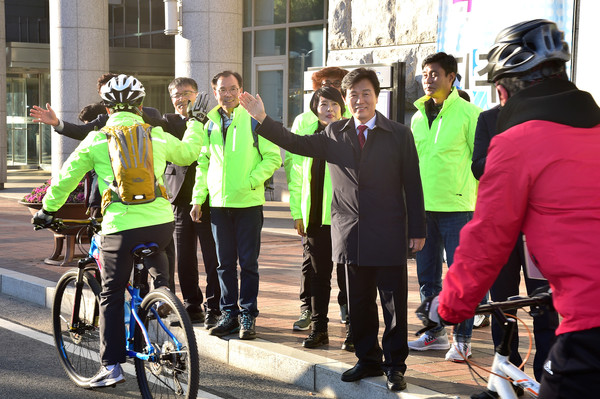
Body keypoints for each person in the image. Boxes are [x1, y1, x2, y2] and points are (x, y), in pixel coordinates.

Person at [416, 19, 600, 399]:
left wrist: (450, 305)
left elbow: (488, 238)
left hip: (590, 322)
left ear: (509, 85)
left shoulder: (517, 141)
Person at [239, 67, 426, 392]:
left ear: (376, 96)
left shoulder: (398, 134)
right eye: (353, 94)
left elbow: (413, 182)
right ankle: (368, 360)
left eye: (365, 93)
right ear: (345, 98)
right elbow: (295, 143)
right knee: (360, 303)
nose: (359, 99)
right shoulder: (335, 133)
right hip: (351, 234)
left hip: (389, 232)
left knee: (393, 304)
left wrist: (418, 229)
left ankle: (395, 366)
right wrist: (262, 119)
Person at [31, 74, 204, 388]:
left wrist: (47, 210)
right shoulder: (157, 134)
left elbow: (66, 177)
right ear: (139, 106)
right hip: (161, 224)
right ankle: (163, 311)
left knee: (111, 293)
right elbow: (190, 153)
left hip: (120, 228)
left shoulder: (98, 139)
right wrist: (193, 122)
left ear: (107, 108)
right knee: (158, 274)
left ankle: (111, 368)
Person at [470, 103, 558, 394]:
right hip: (501, 228)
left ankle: (546, 379)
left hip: (539, 229)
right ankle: (508, 378)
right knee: (501, 306)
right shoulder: (489, 118)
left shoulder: (547, 113)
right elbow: (478, 167)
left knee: (544, 306)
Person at [190, 71, 281, 341]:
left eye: (232, 89)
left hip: (248, 204)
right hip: (218, 205)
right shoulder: (209, 123)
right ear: (214, 91)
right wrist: (198, 198)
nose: (227, 94)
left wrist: (250, 182)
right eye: (222, 89)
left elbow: (273, 157)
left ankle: (248, 315)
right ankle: (228, 314)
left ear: (241, 90)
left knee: (248, 263)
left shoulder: (254, 119)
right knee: (223, 264)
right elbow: (203, 163)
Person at [408, 52, 481, 362]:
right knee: (427, 276)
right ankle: (434, 332)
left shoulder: (470, 114)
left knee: (460, 275)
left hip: (459, 208)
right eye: (425, 74)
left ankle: (463, 339)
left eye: (435, 73)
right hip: (423, 209)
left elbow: (482, 163)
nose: (428, 79)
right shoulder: (416, 116)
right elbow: (411, 164)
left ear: (452, 77)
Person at [286, 67, 352, 350]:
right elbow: (297, 175)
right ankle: (319, 328)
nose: (329, 109)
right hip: (315, 218)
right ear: (315, 108)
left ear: (343, 108)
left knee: (350, 278)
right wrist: (297, 212)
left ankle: (353, 330)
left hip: (347, 218)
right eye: (323, 104)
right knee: (318, 277)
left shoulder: (352, 135)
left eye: (334, 104)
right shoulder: (309, 136)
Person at [162, 77, 221, 328]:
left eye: (187, 93)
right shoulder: (166, 123)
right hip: (178, 197)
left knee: (212, 255)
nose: (182, 98)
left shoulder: (213, 121)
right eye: (177, 94)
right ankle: (191, 305)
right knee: (184, 256)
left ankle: (215, 307)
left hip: (208, 196)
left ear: (197, 95)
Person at [29, 73, 162, 140]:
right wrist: (57, 123)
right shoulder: (103, 119)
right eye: (106, 95)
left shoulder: (152, 115)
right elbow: (81, 132)